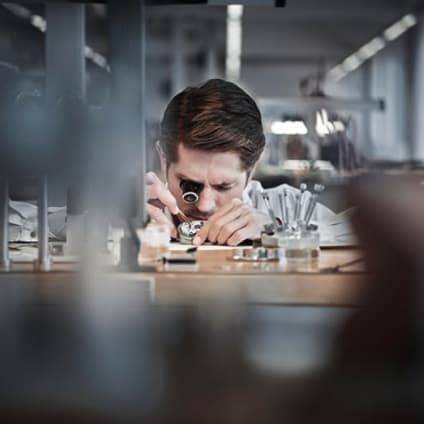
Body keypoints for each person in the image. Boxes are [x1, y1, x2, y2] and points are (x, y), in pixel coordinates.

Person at [147, 78, 338, 246]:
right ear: (164, 160)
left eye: (224, 186)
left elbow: (358, 231)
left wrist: (278, 231)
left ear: (251, 169)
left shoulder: (288, 207)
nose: (204, 205)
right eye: (190, 185)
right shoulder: (138, 209)